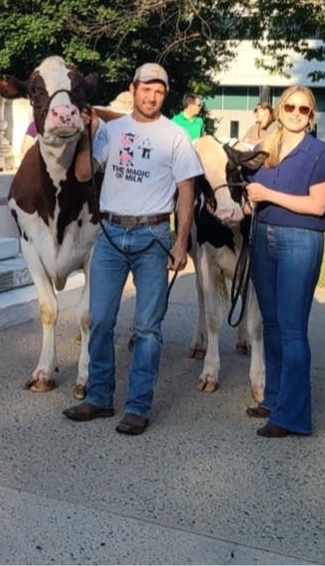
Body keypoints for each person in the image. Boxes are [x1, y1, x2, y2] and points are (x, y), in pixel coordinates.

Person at [63, 63, 200, 435]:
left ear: (164, 95)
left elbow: (186, 190)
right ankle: (99, 397)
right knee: (101, 319)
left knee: (148, 328)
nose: (151, 96)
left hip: (152, 235)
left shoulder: (175, 136)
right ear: (133, 89)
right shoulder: (112, 130)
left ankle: (138, 406)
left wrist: (181, 240)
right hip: (110, 234)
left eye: (158, 91)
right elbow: (81, 174)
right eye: (145, 89)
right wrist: (88, 134)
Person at [242, 85, 325, 438]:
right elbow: (251, 198)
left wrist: (267, 195)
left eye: (304, 109)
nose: (296, 113)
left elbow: (317, 206)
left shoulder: (321, 154)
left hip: (300, 240)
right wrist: (247, 203)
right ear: (278, 111)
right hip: (262, 236)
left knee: (293, 327)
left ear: (312, 117)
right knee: (272, 324)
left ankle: (294, 416)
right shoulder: (262, 151)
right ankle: (275, 398)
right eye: (290, 107)